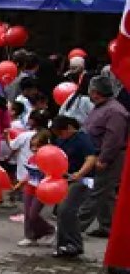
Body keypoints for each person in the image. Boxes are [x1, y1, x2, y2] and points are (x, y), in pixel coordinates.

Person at [78, 76, 127, 238]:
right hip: (97, 154)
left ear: (96, 92)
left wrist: (104, 158)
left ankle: (76, 227)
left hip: (108, 157)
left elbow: (114, 138)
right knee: (106, 193)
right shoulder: (101, 107)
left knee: (96, 192)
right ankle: (108, 225)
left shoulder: (115, 111)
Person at [51, 116, 98, 259]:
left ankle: (74, 244)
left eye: (61, 132)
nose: (60, 135)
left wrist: (79, 173)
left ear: (70, 127)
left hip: (81, 180)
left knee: (66, 210)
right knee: (61, 211)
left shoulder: (82, 139)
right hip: (64, 179)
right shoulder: (61, 140)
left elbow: (91, 158)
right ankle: (64, 245)